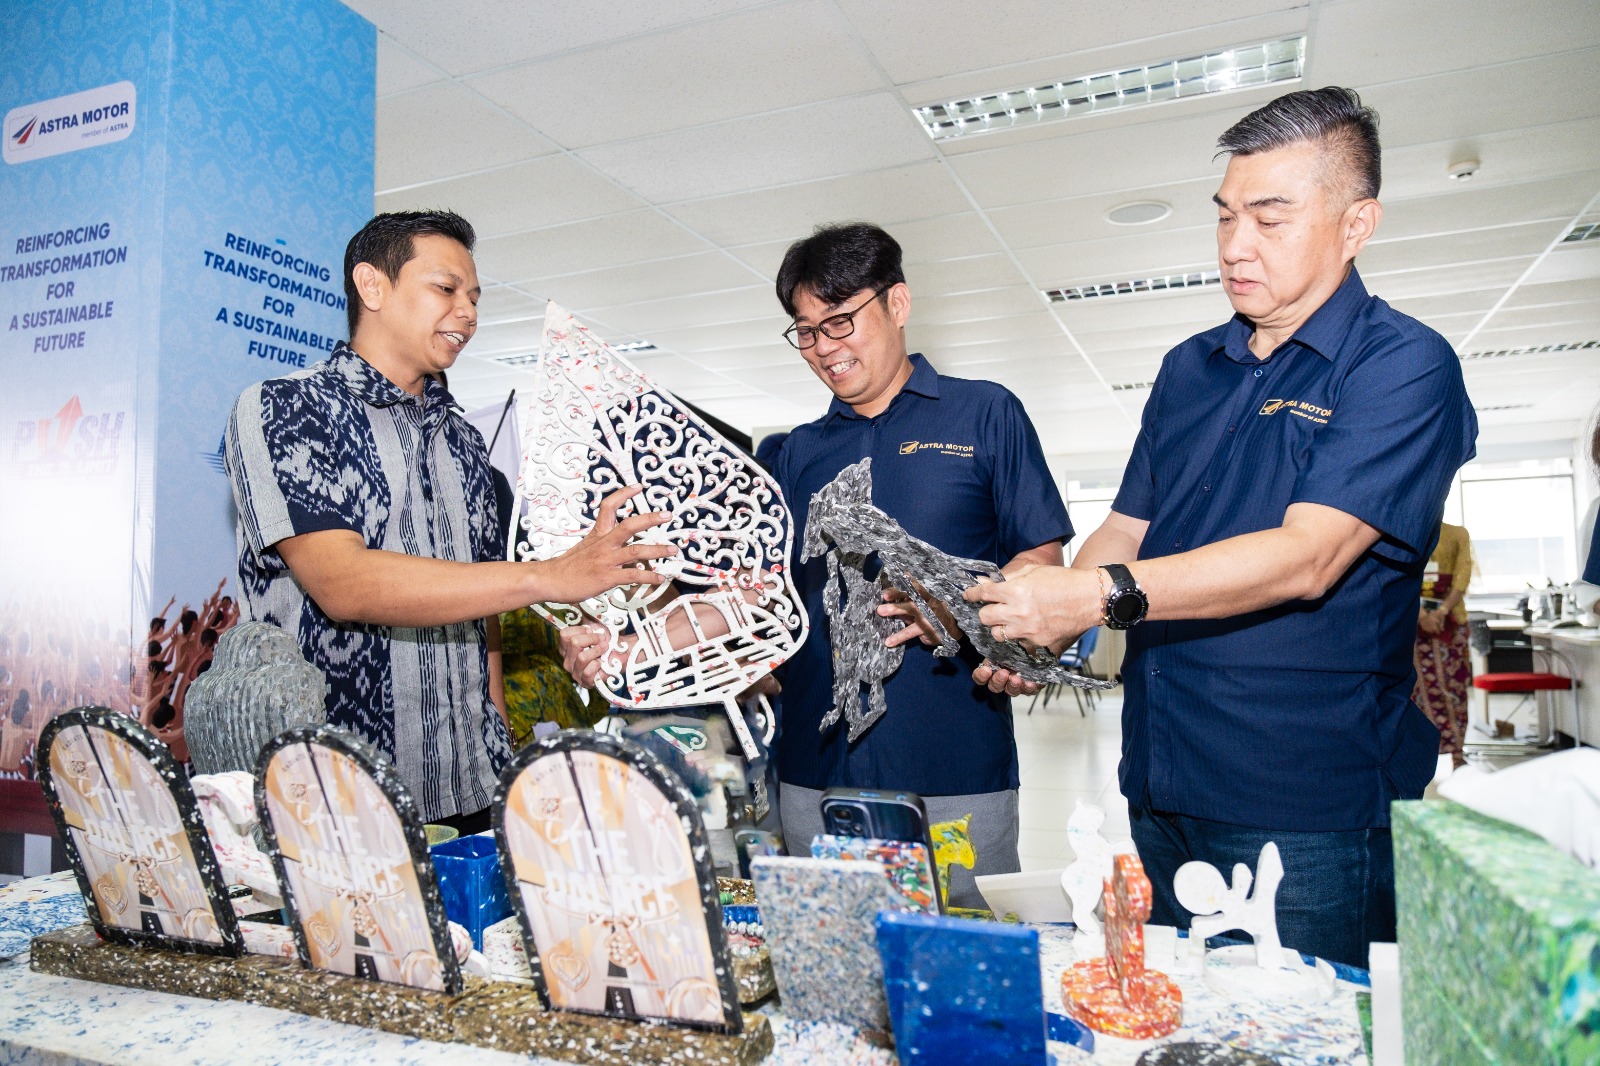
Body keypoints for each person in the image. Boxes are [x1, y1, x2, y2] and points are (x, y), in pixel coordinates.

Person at [965, 87, 1477, 967]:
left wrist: (1091, 598)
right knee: (1187, 1015)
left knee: (1308, 1024)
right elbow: (1126, 528)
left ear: (1356, 225)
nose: (1236, 245)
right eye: (1226, 215)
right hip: (1162, 775)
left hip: (1303, 801)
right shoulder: (1189, 368)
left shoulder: (1402, 365)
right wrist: (1041, 629)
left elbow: (1308, 557)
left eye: (1270, 219)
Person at [560, 222, 1070, 906]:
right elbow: (751, 597)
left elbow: (1041, 560)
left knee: (961, 957)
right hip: (814, 772)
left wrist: (964, 609)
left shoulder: (984, 415)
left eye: (839, 322)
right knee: (826, 961)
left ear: (897, 303)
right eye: (805, 331)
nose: (824, 347)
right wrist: (629, 645)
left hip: (955, 769)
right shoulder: (794, 455)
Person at [224, 210, 674, 834]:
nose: (468, 312)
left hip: (469, 783)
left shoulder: (464, 443)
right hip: (331, 794)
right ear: (372, 286)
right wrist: (548, 576)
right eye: (446, 288)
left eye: (475, 298)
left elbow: (484, 606)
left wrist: (500, 752)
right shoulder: (287, 407)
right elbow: (342, 583)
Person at [1414, 522, 1473, 766]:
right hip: (1412, 626)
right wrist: (1422, 616)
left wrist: (1440, 612)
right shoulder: (1408, 531)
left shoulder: (1458, 533)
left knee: (1455, 686)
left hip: (1451, 622)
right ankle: (1423, 756)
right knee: (1416, 690)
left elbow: (1463, 575)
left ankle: (1456, 752)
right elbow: (1400, 578)